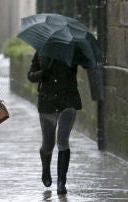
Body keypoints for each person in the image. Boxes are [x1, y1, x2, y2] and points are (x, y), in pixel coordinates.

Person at [27, 52, 83, 195]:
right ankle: (46, 169)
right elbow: (30, 75)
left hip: (68, 101)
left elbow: (86, 64)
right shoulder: (42, 50)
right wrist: (41, 74)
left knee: (63, 141)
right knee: (48, 144)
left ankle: (61, 182)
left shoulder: (72, 50)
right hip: (47, 103)